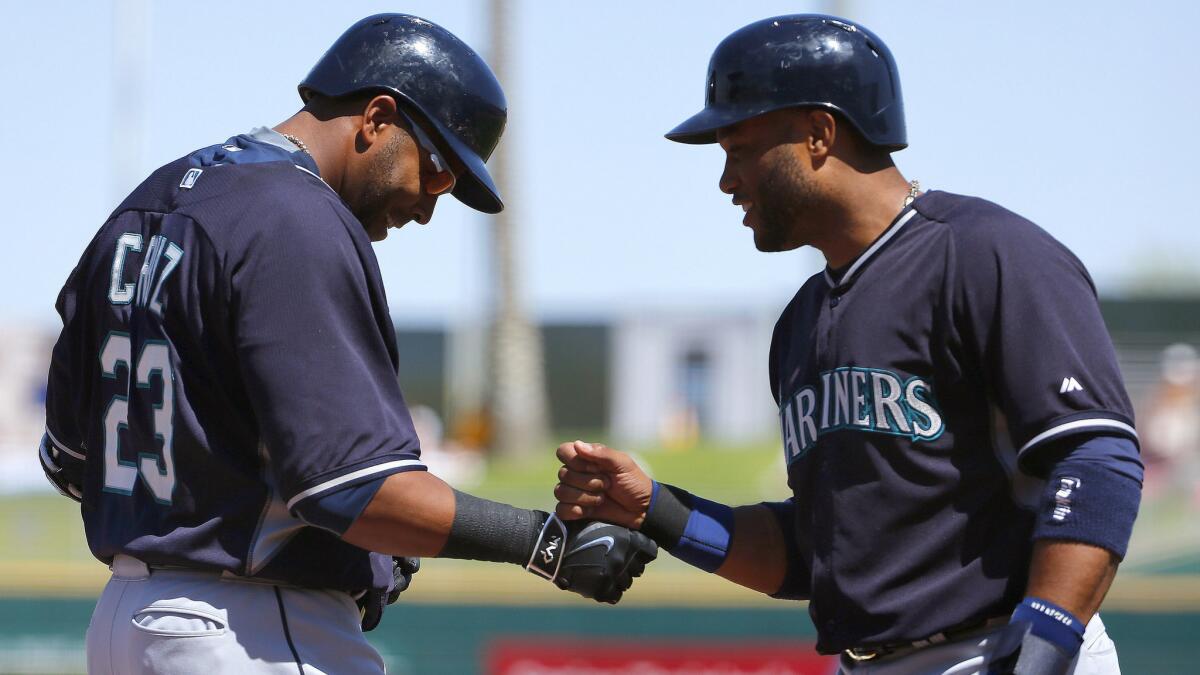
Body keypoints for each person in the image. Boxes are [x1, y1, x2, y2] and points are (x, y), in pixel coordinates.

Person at [38, 14, 655, 675]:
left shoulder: (143, 205)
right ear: (377, 117)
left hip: (125, 625)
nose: (428, 206)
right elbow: (348, 490)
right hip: (251, 628)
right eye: (440, 171)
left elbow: (72, 459)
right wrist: (545, 543)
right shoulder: (296, 216)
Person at [554, 14, 1141, 675]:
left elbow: (1097, 460)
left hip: (996, 647)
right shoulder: (801, 323)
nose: (726, 179)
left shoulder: (982, 253)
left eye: (739, 147)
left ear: (818, 133)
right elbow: (810, 551)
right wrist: (656, 507)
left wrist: (1045, 643)